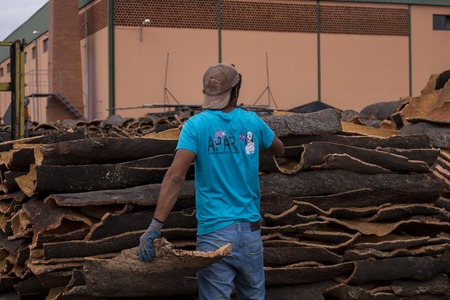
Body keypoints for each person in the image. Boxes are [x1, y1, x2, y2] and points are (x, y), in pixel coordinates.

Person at [139, 63, 284, 299]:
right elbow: (279, 149)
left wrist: (155, 225)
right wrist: (251, 146)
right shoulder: (252, 122)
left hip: (214, 233)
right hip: (250, 232)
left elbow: (176, 176)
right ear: (236, 91)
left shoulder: (196, 126)